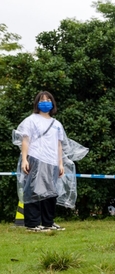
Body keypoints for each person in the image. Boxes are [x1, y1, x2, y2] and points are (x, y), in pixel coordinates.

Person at [15, 92, 67, 232]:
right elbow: (25, 140)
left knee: (51, 192)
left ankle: (48, 222)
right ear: (37, 103)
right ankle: (32, 224)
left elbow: (59, 145)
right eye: (42, 100)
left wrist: (60, 163)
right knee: (33, 191)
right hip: (35, 158)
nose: (46, 103)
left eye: (48, 100)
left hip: (52, 162)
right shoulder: (31, 120)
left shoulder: (57, 124)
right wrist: (24, 159)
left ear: (53, 103)